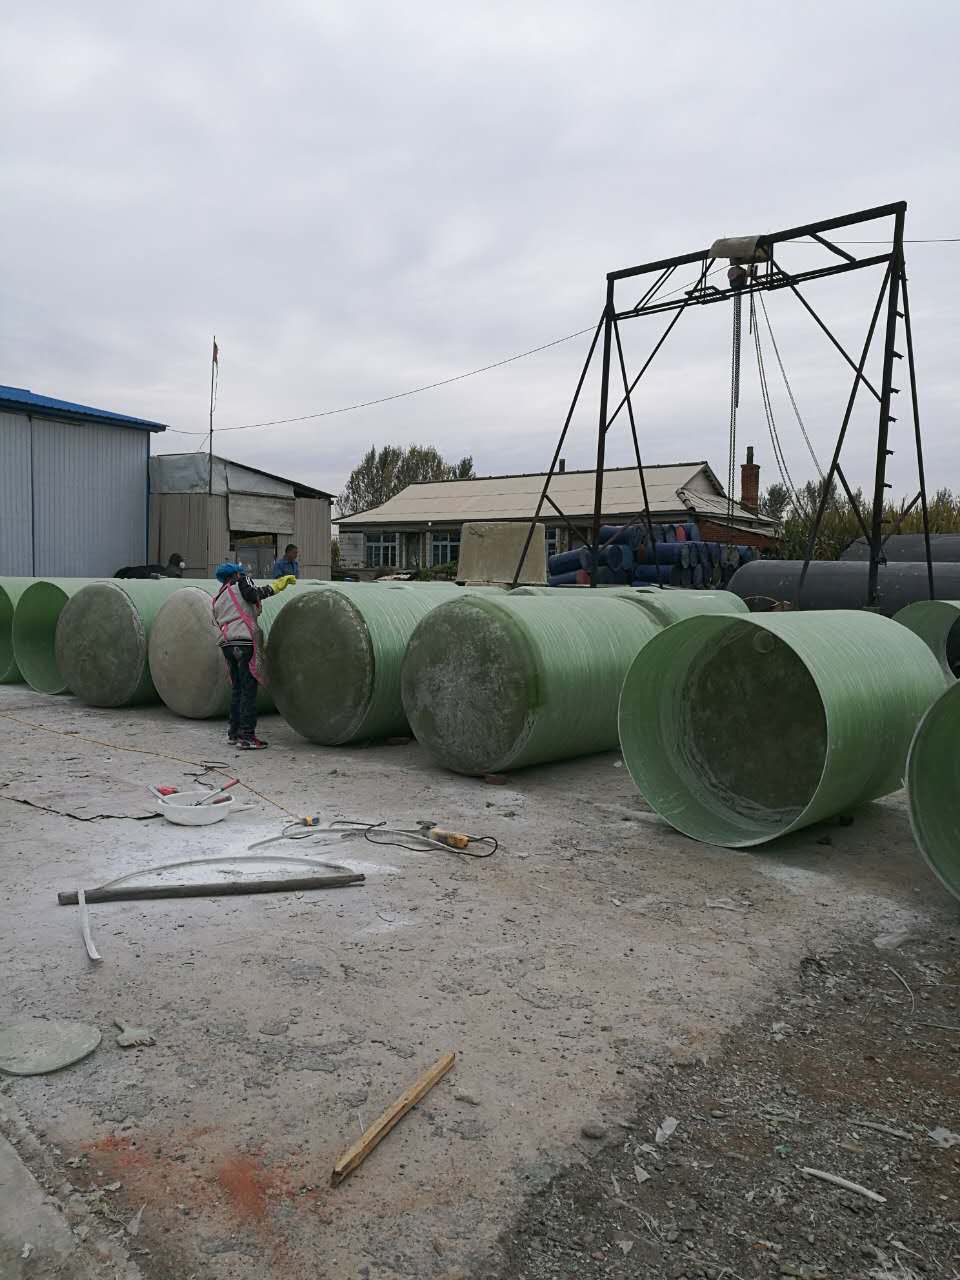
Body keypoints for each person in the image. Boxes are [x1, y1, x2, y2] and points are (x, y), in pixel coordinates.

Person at [212, 562, 296, 749]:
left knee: (237, 689)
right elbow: (252, 594)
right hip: (244, 641)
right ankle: (247, 737)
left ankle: (234, 733)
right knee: (248, 690)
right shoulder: (242, 580)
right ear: (237, 573)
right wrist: (276, 586)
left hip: (227, 643)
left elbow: (216, 620)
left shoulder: (218, 596)